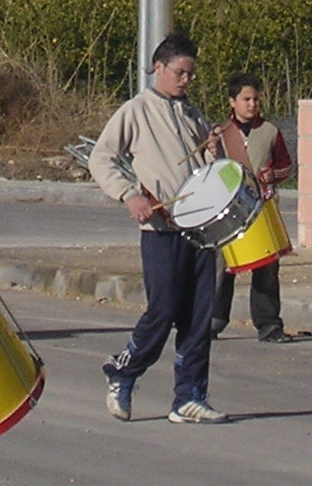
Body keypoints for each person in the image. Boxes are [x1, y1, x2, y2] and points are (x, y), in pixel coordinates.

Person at [90, 33, 225, 424]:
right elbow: (102, 159)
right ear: (159, 68)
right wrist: (129, 195)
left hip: (199, 229)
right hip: (160, 231)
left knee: (199, 317)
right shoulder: (136, 111)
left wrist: (214, 153)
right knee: (162, 311)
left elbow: (207, 170)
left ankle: (189, 395)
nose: (186, 80)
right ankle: (124, 370)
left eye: (191, 74)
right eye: (180, 72)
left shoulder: (193, 114)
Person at [210, 72, 294, 342]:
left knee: (267, 269)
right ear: (232, 101)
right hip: (229, 211)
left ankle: (269, 324)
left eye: (256, 99)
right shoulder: (219, 134)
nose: (252, 104)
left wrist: (274, 175)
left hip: (261, 208)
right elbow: (208, 173)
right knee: (222, 267)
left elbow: (287, 166)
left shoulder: (270, 131)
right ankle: (213, 320)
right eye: (246, 99)